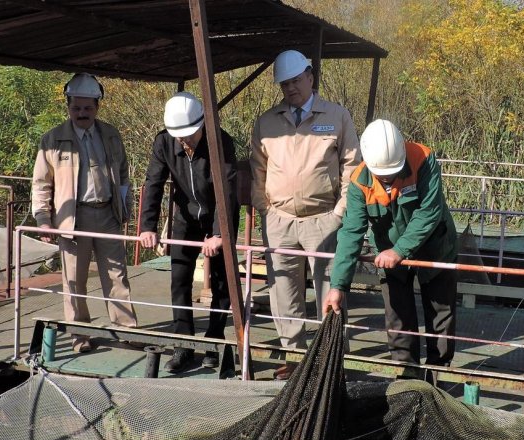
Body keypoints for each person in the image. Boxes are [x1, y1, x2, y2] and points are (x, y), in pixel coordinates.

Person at [250, 50, 361, 380]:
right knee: (283, 291)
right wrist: (265, 208)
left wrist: (341, 212)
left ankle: (331, 358)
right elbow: (258, 167)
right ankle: (294, 356)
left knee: (331, 289)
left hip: (324, 218)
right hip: (279, 220)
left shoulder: (337, 116)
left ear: (310, 77)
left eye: (296, 81)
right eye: (284, 84)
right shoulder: (267, 122)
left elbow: (352, 166)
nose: (291, 88)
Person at [324, 119, 458, 379]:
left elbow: (429, 212)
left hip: (435, 248)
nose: (387, 177)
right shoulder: (359, 181)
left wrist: (400, 250)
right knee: (397, 314)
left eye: (392, 172)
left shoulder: (423, 159)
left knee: (441, 313)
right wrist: (338, 285)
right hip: (388, 254)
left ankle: (438, 375)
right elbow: (351, 231)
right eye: (381, 174)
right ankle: (406, 377)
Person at [31, 73, 138, 353]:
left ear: (97, 107)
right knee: (74, 281)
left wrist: (125, 206)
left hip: (107, 214)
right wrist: (43, 220)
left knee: (117, 275)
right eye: (76, 108)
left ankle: (125, 329)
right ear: (68, 107)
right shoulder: (53, 140)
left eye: (88, 108)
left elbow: (123, 173)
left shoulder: (111, 135)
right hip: (72, 219)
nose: (82, 114)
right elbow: (41, 183)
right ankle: (80, 335)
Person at [139, 92, 239, 373]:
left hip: (217, 217)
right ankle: (183, 344)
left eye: (190, 135)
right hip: (185, 218)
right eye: (179, 136)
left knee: (221, 281)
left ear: (202, 123)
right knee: (180, 279)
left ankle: (214, 341)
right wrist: (148, 226)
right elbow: (154, 183)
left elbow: (227, 191)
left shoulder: (221, 141)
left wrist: (220, 233)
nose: (185, 141)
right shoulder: (164, 142)